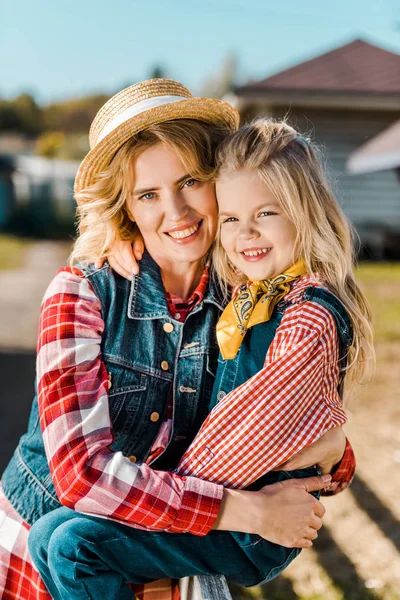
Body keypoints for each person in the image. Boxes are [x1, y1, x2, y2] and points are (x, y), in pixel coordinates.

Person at [26, 112, 370, 599]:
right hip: (53, 548)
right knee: (63, 543)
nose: (177, 211)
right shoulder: (84, 293)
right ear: (126, 208)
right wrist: (247, 509)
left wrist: (333, 452)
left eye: (189, 182)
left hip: (167, 550)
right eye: (148, 195)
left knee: (74, 545)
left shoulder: (236, 299)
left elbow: (283, 409)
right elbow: (81, 476)